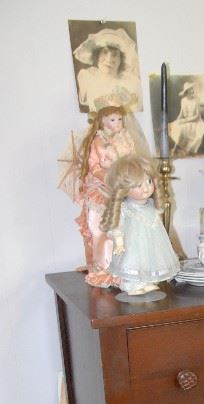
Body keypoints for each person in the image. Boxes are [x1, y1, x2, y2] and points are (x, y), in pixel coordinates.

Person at [101, 155, 180, 295]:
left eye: (149, 181)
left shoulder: (151, 205)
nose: (146, 188)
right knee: (133, 262)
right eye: (139, 185)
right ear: (124, 189)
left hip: (151, 243)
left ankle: (146, 282)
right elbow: (117, 225)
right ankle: (131, 285)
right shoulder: (125, 207)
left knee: (150, 261)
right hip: (133, 244)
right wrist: (119, 242)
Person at [76, 105, 136, 287]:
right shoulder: (98, 141)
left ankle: (128, 264)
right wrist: (109, 178)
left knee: (128, 225)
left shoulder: (126, 138)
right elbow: (94, 166)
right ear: (103, 121)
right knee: (101, 228)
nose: (117, 123)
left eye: (119, 119)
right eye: (112, 120)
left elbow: (132, 159)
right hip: (102, 186)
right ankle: (105, 267)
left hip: (123, 184)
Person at [73, 27, 143, 112]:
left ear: (121, 60)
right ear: (97, 55)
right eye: (104, 52)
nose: (109, 59)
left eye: (115, 55)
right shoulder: (88, 78)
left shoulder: (131, 82)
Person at [168, 82, 204, 157]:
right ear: (186, 92)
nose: (192, 91)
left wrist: (186, 121)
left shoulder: (197, 99)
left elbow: (197, 116)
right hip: (187, 120)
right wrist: (177, 121)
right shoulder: (183, 100)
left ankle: (187, 150)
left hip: (196, 121)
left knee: (193, 132)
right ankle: (175, 149)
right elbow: (181, 113)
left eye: (192, 89)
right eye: (190, 90)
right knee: (176, 126)